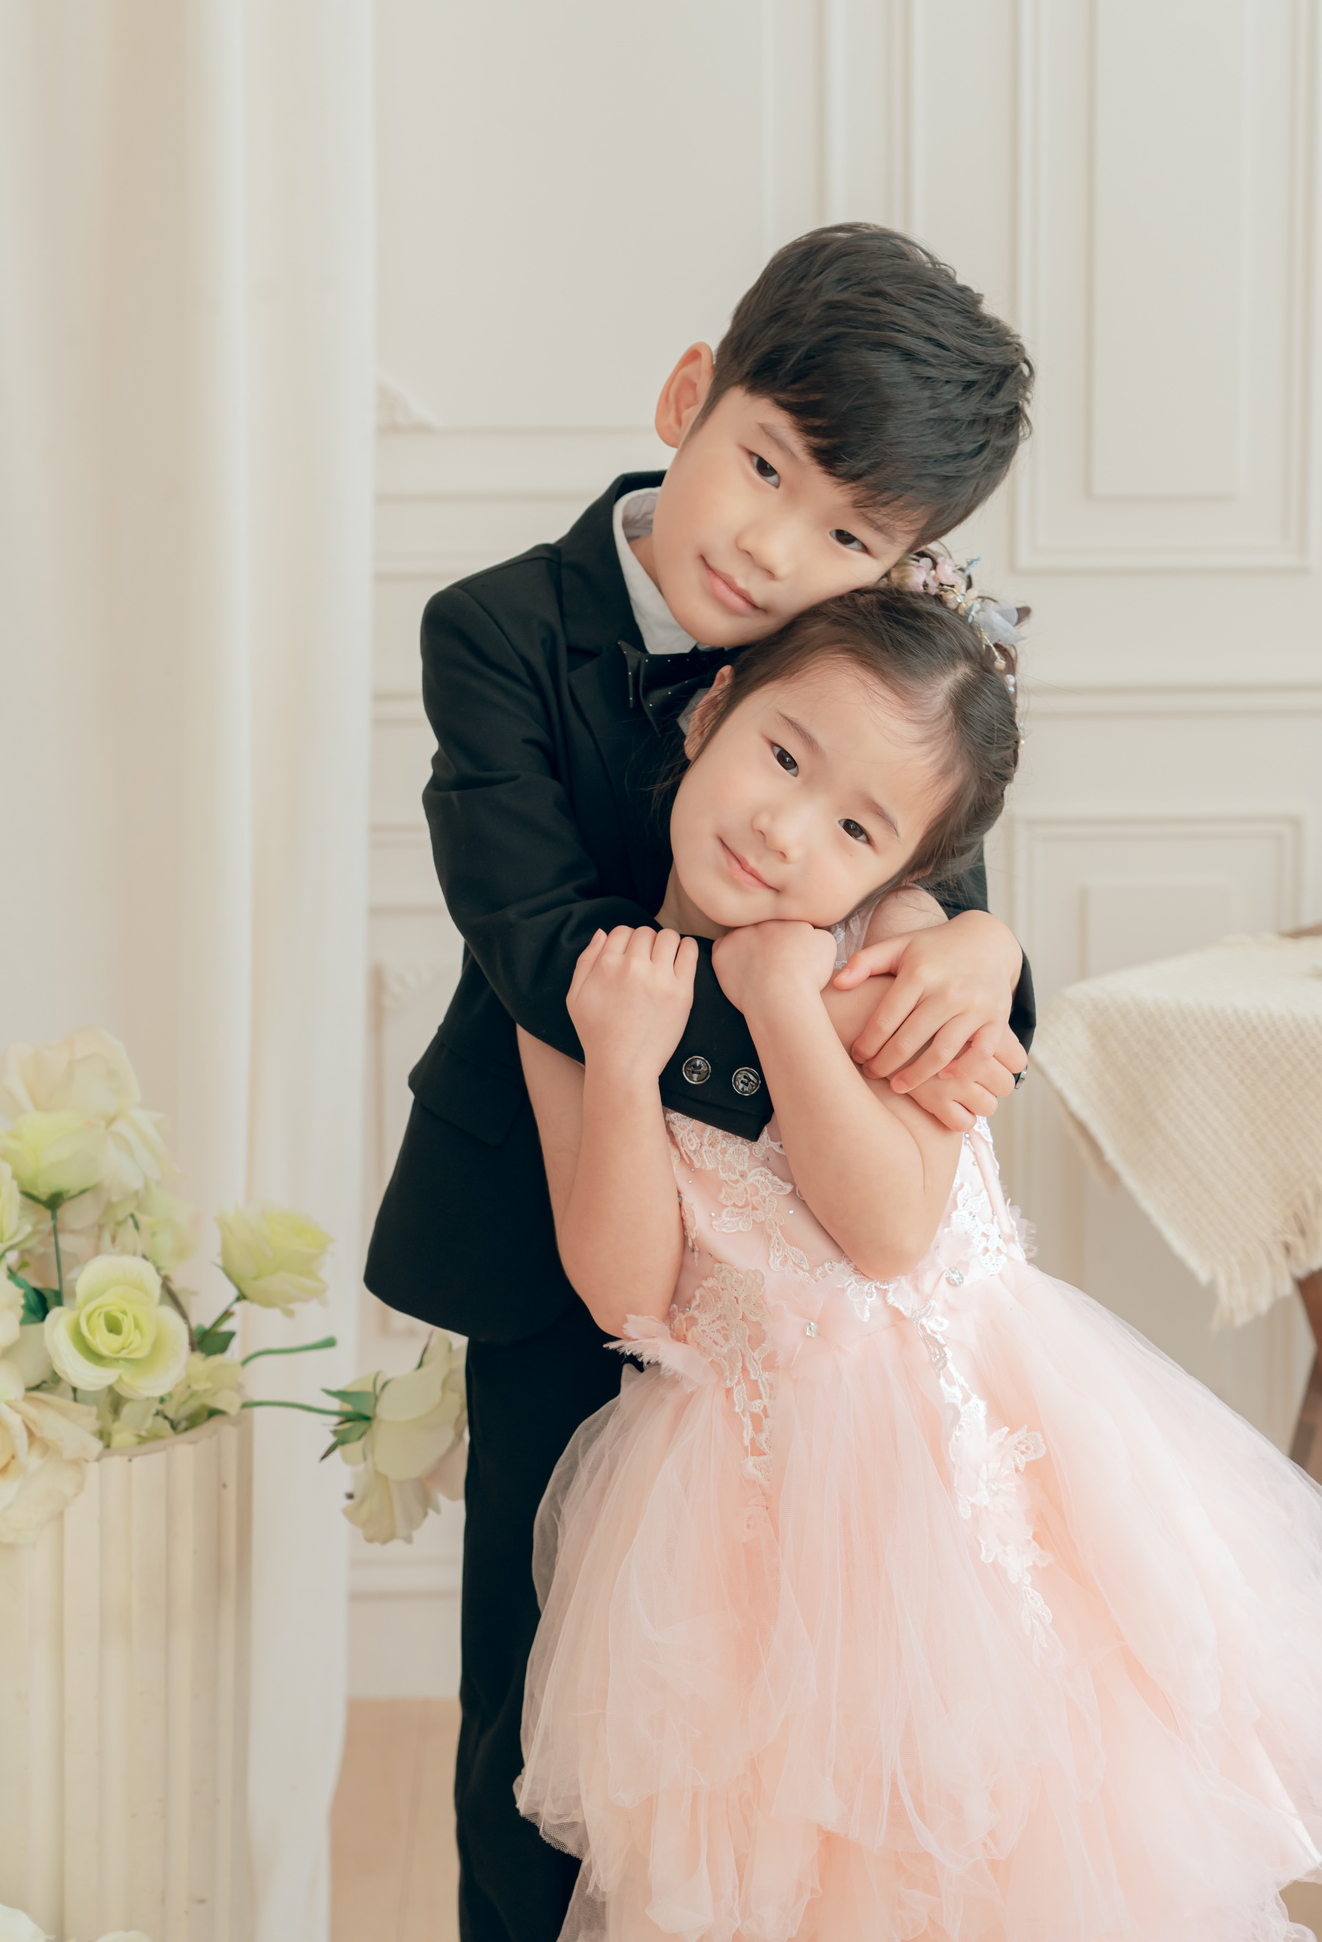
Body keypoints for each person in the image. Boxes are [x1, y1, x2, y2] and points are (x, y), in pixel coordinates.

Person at [364, 223, 1037, 1942]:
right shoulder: (496, 629)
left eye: (851, 535)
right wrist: (793, 1007)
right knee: (542, 1701)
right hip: (559, 1220)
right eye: (765, 467)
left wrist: (970, 945)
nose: (776, 549)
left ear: (904, 560)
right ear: (688, 395)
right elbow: (535, 937)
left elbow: (918, 860)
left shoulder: (854, 661)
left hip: (801, 1281)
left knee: (789, 1719)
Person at [515, 588, 1322, 1942]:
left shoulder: (898, 951)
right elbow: (628, 1295)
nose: (786, 830)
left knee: (1027, 1824)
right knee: (800, 1861)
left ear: (910, 867)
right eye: (782, 756)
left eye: (857, 828)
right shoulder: (596, 989)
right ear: (712, 714)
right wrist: (621, 1067)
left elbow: (887, 1228)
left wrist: (784, 996)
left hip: (970, 1465)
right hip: (749, 1507)